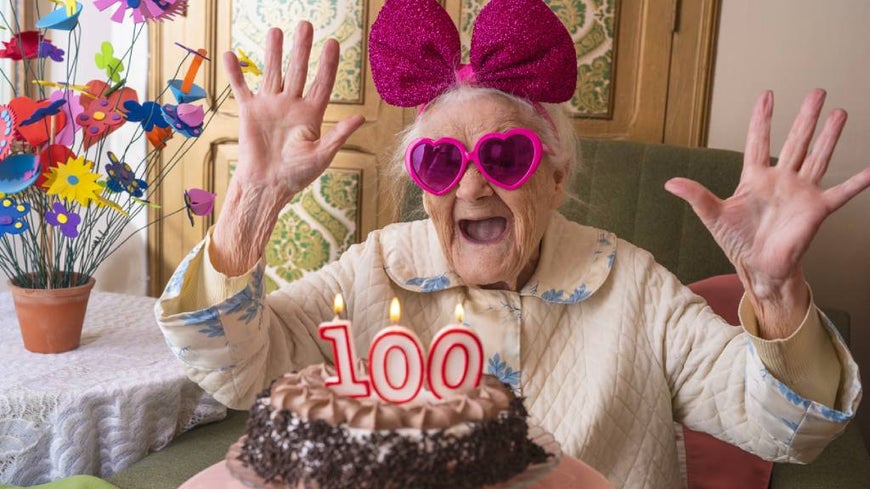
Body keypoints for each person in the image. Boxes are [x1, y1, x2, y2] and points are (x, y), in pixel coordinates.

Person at [155, 0, 867, 487]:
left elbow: (788, 429)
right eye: (441, 162)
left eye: (504, 157)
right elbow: (239, 372)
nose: (471, 188)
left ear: (556, 178)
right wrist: (247, 210)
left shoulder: (635, 285)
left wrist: (775, 293)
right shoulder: (378, 265)